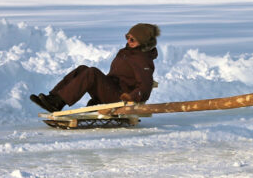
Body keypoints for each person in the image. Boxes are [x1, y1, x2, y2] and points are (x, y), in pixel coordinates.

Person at [29, 23, 161, 113]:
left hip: (121, 97)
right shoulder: (125, 52)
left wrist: (130, 98)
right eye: (128, 37)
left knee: (92, 73)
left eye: (133, 39)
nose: (128, 41)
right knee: (83, 68)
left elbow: (145, 87)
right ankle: (54, 99)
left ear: (143, 42)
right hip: (112, 90)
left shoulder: (143, 60)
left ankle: (57, 102)